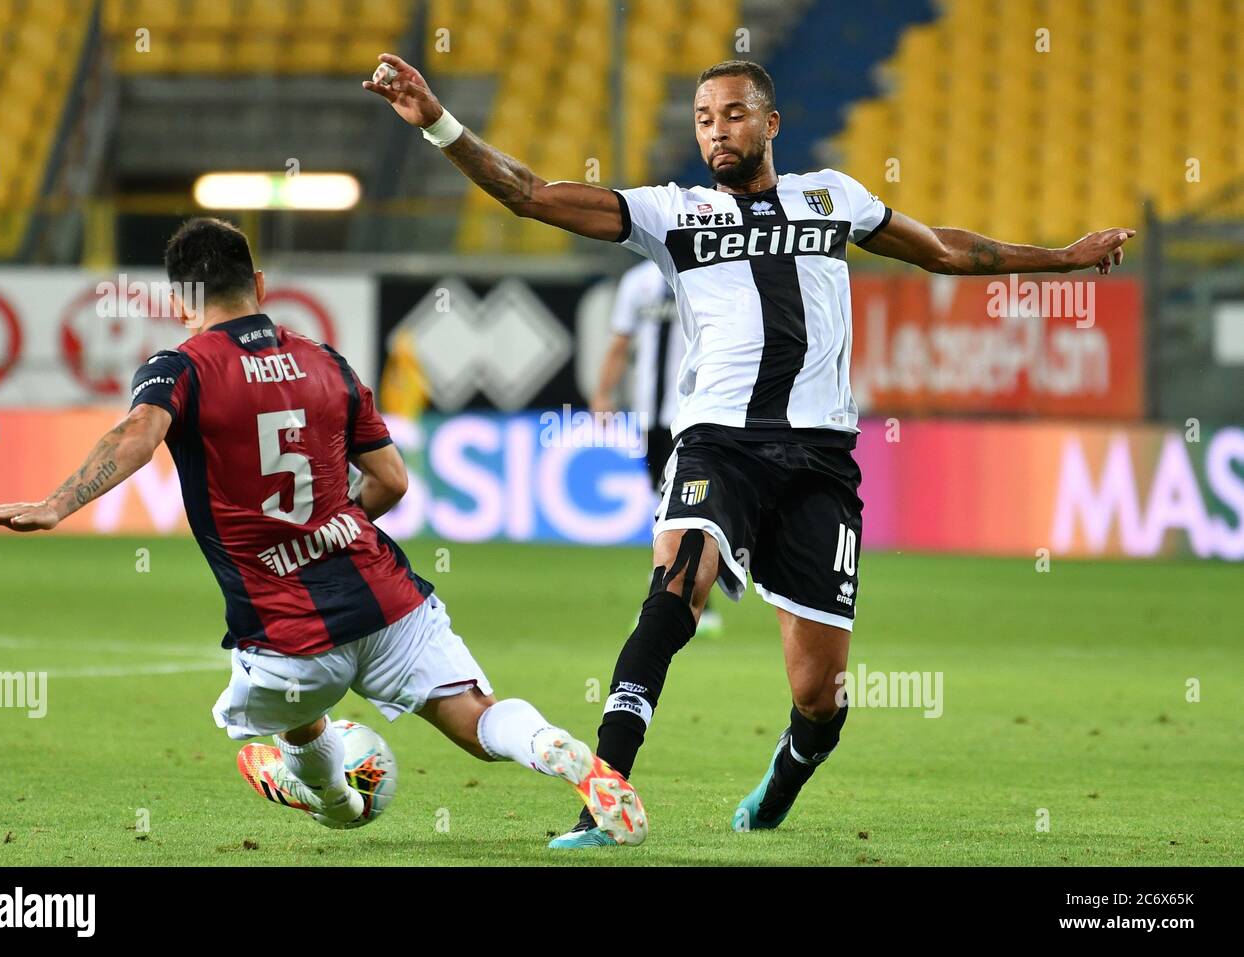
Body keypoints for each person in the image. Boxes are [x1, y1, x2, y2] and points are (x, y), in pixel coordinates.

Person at [364, 54, 1132, 848]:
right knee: (674, 588)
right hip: (717, 444)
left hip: (820, 461)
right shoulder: (673, 214)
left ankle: (785, 775)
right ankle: (603, 795)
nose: (715, 130)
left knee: (819, 694)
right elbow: (530, 196)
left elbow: (942, 249)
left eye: (732, 114)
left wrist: (1061, 259)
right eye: (702, 118)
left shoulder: (834, 198)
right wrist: (440, 124)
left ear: (769, 122)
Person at [0, 217, 647, 845]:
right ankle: (557, 748)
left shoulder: (179, 369)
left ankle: (334, 802)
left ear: (180, 301)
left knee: (293, 718)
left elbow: (137, 435)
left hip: (287, 634)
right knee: (474, 714)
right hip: (387, 601)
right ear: (260, 287)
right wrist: (331, 527)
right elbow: (391, 482)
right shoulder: (326, 361)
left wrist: (58, 503)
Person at [592, 258, 721, 636]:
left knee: (691, 505)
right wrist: (603, 393)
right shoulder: (637, 281)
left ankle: (684, 600)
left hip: (696, 411)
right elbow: (621, 343)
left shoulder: (707, 270)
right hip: (650, 414)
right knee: (665, 505)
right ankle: (681, 598)